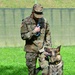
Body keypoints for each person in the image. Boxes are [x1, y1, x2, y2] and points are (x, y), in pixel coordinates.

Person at [20, 4, 52, 75]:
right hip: (31, 50)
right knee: (32, 71)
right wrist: (33, 32)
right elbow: (23, 36)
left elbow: (48, 34)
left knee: (46, 69)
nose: (38, 17)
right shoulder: (26, 21)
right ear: (32, 12)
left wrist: (48, 48)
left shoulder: (44, 21)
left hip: (42, 49)